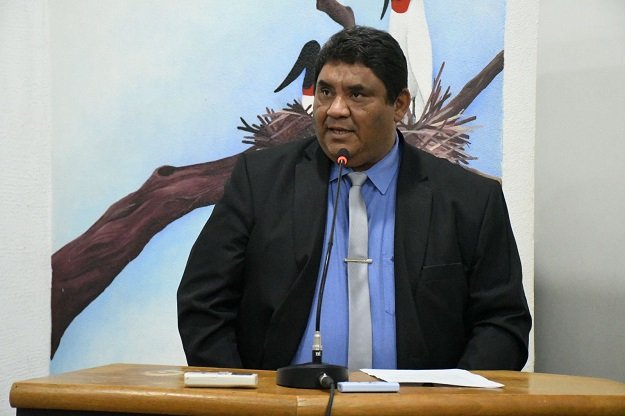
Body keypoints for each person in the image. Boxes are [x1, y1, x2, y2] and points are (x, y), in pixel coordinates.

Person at [177, 26, 531, 371]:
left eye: (357, 95)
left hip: (417, 404)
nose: (335, 109)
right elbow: (203, 302)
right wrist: (244, 395)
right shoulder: (260, 181)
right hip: (286, 401)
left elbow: (502, 322)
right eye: (325, 92)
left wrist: (451, 400)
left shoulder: (469, 200)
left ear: (399, 105)